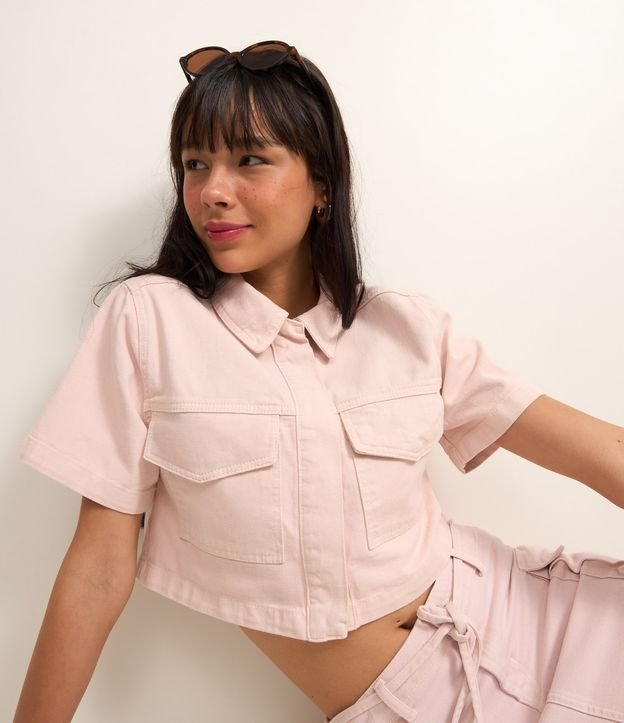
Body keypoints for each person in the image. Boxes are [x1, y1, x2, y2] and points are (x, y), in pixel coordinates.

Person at [12, 40, 624, 723]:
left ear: (323, 185)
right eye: (194, 163)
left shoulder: (407, 326)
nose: (212, 190)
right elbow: (98, 570)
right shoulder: (149, 321)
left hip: (551, 624)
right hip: (421, 702)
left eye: (250, 158)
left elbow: (606, 453)